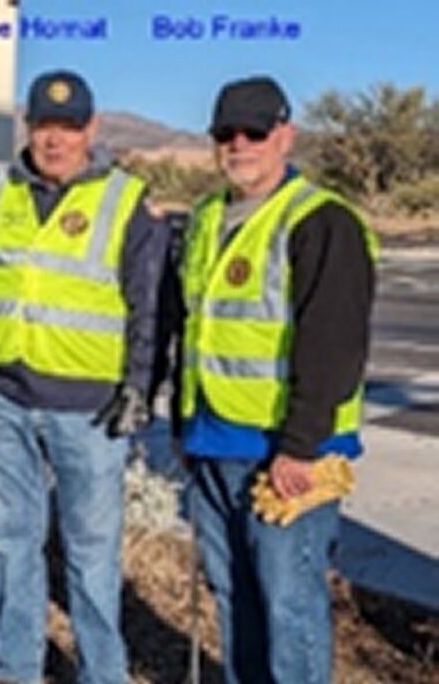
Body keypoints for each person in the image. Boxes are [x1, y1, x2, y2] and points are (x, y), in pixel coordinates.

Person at [0, 70, 169, 683]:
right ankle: (18, 669)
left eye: (69, 127)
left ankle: (102, 673)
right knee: (12, 547)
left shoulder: (127, 202)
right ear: (28, 128)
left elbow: (151, 306)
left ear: (91, 129)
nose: (55, 139)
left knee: (91, 558)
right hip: (2, 401)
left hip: (89, 412)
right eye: (44, 126)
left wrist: (138, 388)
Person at [178, 76, 376, 683]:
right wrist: (186, 427)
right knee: (235, 595)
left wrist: (300, 444)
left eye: (254, 132)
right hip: (215, 441)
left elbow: (335, 345)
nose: (239, 145)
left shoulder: (320, 221)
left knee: (290, 605)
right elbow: (194, 328)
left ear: (284, 136)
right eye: (225, 134)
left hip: (285, 455)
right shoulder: (208, 217)